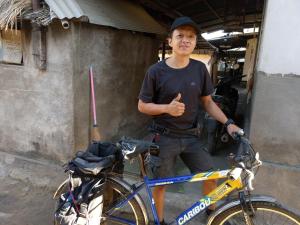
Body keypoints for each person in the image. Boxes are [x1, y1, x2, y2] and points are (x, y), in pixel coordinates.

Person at [138, 16, 241, 224]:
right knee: (161, 184)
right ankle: (158, 221)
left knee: (211, 176)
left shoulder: (199, 69)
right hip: (164, 138)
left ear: (195, 42)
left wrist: (228, 123)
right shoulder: (156, 71)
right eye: (180, 36)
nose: (185, 40)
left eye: (191, 37)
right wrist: (167, 108)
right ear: (170, 41)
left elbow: (208, 102)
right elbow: (142, 105)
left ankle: (211, 212)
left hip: (192, 137)